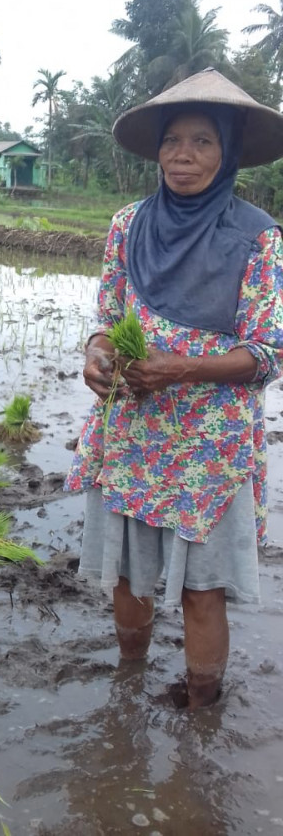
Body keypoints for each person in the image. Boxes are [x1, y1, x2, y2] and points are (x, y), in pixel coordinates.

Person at [65, 68, 283, 709]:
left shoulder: (259, 239)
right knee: (128, 573)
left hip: (209, 449)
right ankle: (128, 688)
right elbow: (106, 320)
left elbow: (268, 352)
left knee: (201, 587)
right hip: (134, 428)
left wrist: (179, 368)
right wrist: (96, 354)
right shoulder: (127, 224)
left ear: (229, 153)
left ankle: (201, 707)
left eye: (202, 142)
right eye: (172, 141)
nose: (182, 156)